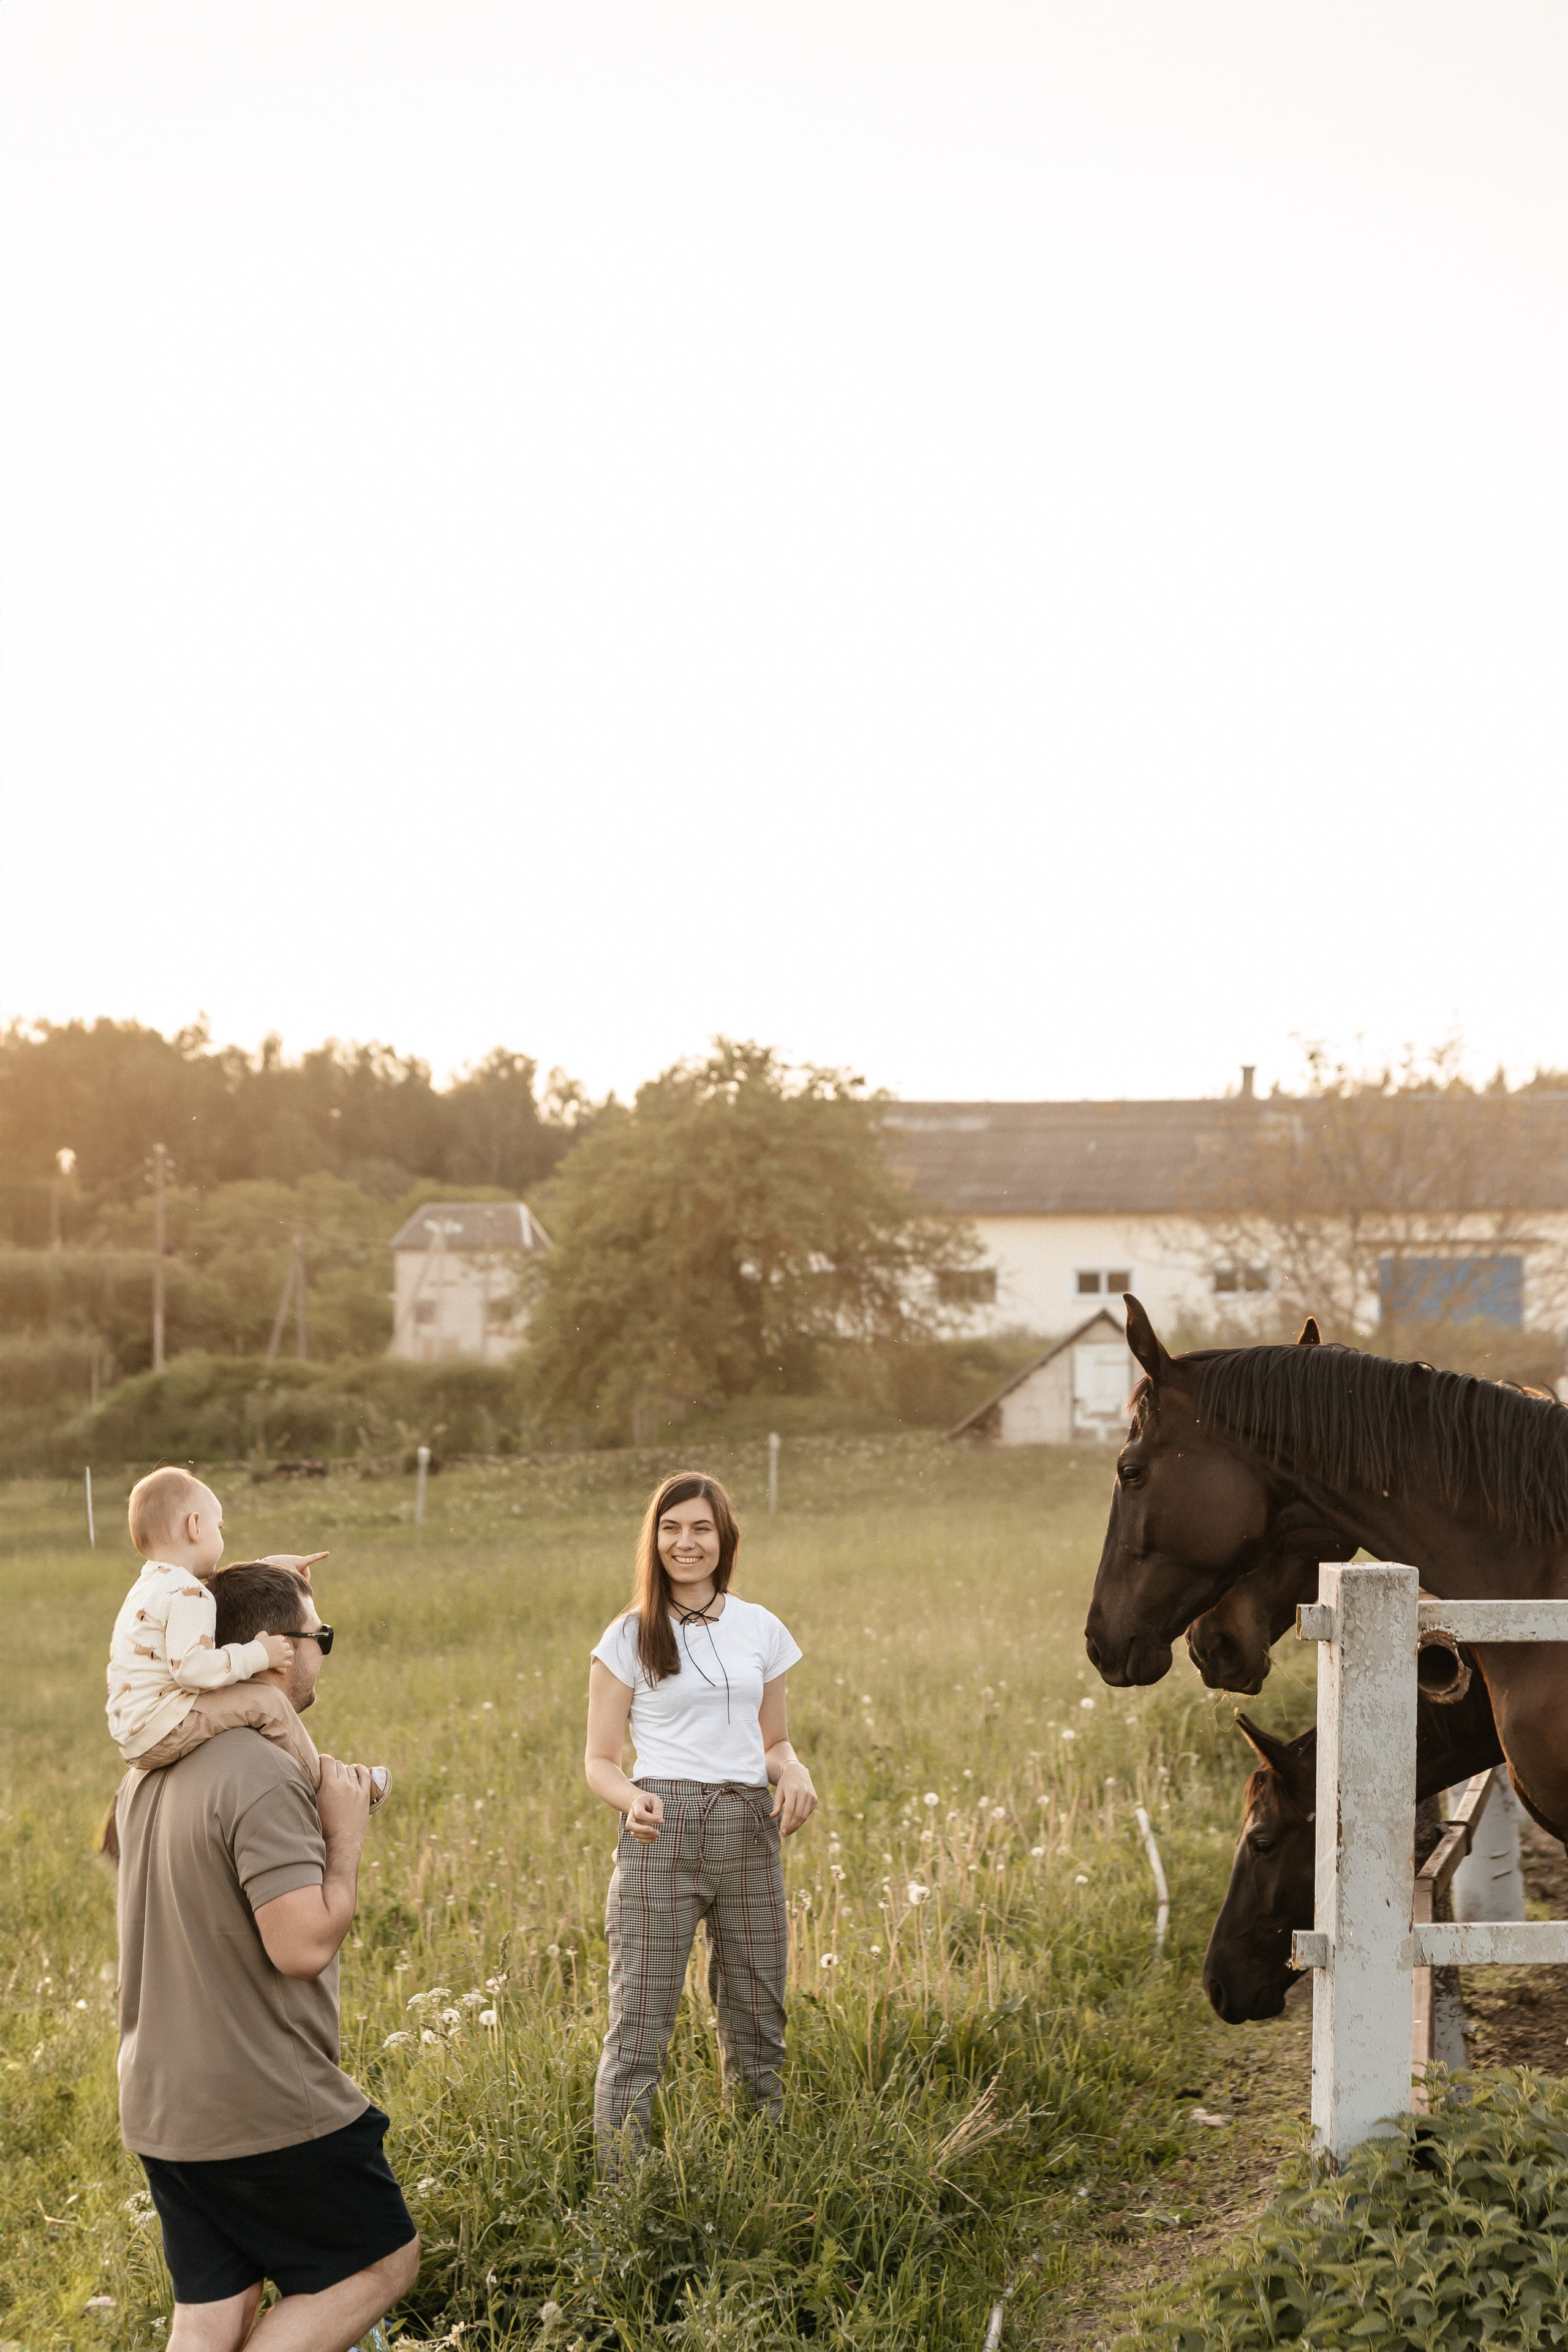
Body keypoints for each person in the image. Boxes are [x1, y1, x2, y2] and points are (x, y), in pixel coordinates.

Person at [116, 1561, 418, 2352]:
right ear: (277, 1651)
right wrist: (345, 1838)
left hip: (162, 2104)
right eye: (321, 1637)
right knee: (382, 2261)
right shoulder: (259, 1772)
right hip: (259, 2104)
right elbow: (302, 1944)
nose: (322, 1652)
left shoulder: (146, 1773)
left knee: (214, 2310)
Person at [585, 1470, 817, 2155]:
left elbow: (772, 1742)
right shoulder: (628, 1636)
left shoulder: (761, 1628)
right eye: (671, 1528)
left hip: (748, 1827)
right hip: (662, 1828)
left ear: (724, 1539)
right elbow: (599, 1761)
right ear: (653, 1540)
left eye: (700, 1529)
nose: (685, 1543)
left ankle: (761, 2168)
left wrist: (795, 1769)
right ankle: (622, 2194)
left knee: (756, 2016)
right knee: (640, 2023)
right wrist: (632, 1800)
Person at [107, 1466, 331, 1790]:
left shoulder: (150, 1585)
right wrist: (258, 1654)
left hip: (136, 1730)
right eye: (219, 1526)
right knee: (269, 1703)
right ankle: (325, 1790)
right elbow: (192, 1671)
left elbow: (215, 1594)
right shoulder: (189, 1592)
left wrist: (268, 1566)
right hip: (163, 1726)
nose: (221, 1535)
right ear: (195, 1526)